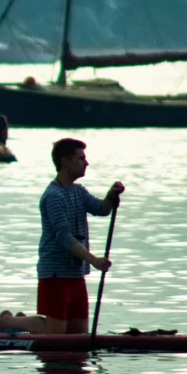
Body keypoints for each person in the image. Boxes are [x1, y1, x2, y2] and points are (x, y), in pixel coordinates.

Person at [35, 137, 125, 334]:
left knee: (78, 332)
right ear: (66, 162)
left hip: (76, 274)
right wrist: (94, 260)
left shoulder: (78, 191)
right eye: (81, 158)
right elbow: (64, 238)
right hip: (55, 274)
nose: (86, 162)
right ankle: (8, 321)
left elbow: (101, 209)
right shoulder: (53, 196)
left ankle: (28, 321)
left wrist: (111, 195)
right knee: (56, 333)